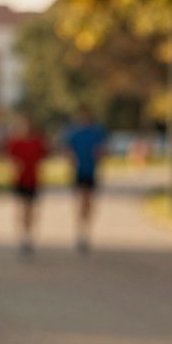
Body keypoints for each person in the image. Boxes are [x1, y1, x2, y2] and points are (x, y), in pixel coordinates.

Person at [64, 107, 108, 254]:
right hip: (79, 172)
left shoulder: (97, 132)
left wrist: (100, 155)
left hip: (91, 172)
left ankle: (86, 232)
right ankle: (80, 232)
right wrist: (70, 161)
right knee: (81, 201)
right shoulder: (74, 133)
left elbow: (103, 150)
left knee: (88, 202)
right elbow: (67, 151)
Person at [5, 116, 48, 257]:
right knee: (21, 208)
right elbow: (9, 160)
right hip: (20, 181)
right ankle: (22, 235)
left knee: (30, 209)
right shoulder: (15, 142)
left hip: (33, 181)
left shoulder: (37, 141)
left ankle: (28, 236)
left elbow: (43, 159)